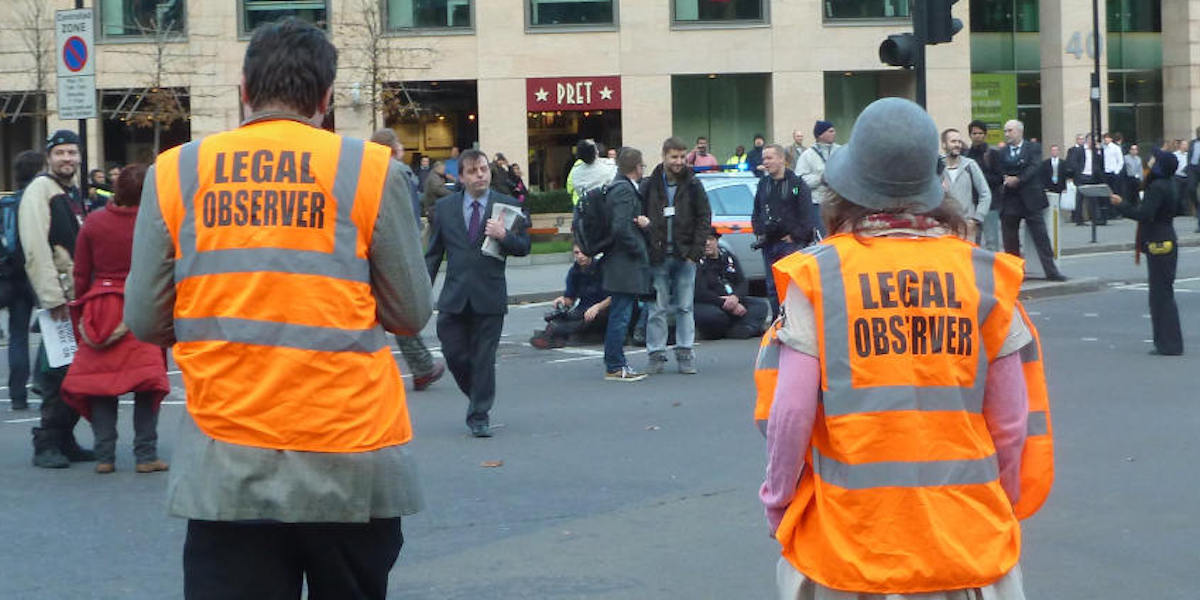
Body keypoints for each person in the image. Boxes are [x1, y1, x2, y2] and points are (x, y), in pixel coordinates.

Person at [125, 19, 432, 597]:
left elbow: (145, 318)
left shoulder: (177, 172)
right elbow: (411, 313)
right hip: (349, 448)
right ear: (325, 97)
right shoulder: (369, 172)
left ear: (244, 90)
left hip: (229, 450)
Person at [763, 97, 1043, 600]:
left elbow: (791, 413)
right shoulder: (983, 276)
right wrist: (1000, 501)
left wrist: (779, 499)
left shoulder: (821, 276)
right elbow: (1011, 421)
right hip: (965, 543)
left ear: (845, 189)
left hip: (851, 543)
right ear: (932, 190)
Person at [60, 164, 170, 474]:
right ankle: (145, 455)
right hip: (142, 303)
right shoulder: (156, 223)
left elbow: (80, 273)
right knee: (147, 383)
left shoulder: (94, 222)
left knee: (100, 383)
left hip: (101, 306)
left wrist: (80, 309)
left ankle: (105, 456)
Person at [426, 149, 531, 437]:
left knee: (484, 357)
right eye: (472, 171)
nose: (480, 175)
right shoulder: (446, 208)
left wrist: (504, 235)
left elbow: (523, 247)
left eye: (483, 169)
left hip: (489, 295)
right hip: (455, 297)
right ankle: (477, 393)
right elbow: (433, 254)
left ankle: (479, 414)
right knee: (454, 354)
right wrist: (422, 291)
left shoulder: (507, 206)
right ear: (461, 177)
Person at [20, 129, 96, 468]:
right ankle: (47, 443)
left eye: (72, 153)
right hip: (59, 301)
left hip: (77, 297)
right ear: (49, 157)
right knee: (55, 374)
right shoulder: (41, 191)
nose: (67, 159)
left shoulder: (70, 192)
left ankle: (65, 439)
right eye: (61, 153)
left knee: (73, 371)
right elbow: (36, 247)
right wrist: (52, 298)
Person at [371, 129, 446, 392]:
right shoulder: (397, 172)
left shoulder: (365, 171)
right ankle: (422, 365)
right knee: (401, 302)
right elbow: (407, 215)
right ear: (392, 148)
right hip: (392, 248)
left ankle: (421, 365)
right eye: (399, 143)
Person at [639, 137, 712, 375]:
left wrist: (695, 253)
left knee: (684, 307)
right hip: (658, 255)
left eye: (682, 157)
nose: (679, 161)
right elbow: (638, 215)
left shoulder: (693, 184)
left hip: (685, 256)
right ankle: (656, 354)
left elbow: (704, 218)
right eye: (674, 157)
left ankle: (685, 353)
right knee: (657, 308)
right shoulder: (649, 185)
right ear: (664, 157)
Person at [1111, 149, 1184, 356]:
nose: (1149, 162)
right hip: (1167, 236)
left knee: (1160, 295)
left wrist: (1121, 205)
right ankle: (1168, 342)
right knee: (1164, 293)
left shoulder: (1157, 187)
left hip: (1159, 240)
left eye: (1153, 160)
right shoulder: (1171, 184)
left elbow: (1144, 214)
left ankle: (1168, 344)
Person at [600, 147, 651, 382]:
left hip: (619, 261)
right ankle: (615, 365)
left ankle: (615, 362)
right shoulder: (623, 190)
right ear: (637, 167)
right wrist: (639, 248)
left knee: (620, 312)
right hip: (624, 262)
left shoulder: (617, 187)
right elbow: (621, 227)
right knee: (620, 314)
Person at [997, 119, 1067, 281]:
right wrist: (1008, 177)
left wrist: (1018, 178)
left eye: (1010, 131)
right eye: (1005, 131)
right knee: (1010, 238)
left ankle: (1051, 271)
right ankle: (1015, 272)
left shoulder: (1033, 148)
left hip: (1031, 198)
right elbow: (1000, 168)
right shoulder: (1002, 152)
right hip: (1010, 199)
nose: (1007, 134)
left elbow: (1034, 167)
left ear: (1020, 131)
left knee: (1041, 237)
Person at [752, 143, 815, 319]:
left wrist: (795, 235)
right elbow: (757, 210)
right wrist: (759, 230)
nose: (765, 162)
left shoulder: (796, 184)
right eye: (764, 158)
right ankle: (777, 323)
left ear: (781, 159)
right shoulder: (763, 184)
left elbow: (806, 214)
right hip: (769, 244)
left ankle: (794, 323)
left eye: (769, 158)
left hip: (790, 245)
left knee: (791, 287)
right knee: (772, 288)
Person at [3, 150, 44, 412]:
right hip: (34, 275)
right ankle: (44, 383)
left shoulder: (6, 203)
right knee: (52, 333)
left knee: (17, 335)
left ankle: (18, 395)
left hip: (8, 276)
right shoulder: (37, 201)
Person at [694, 228, 768, 340]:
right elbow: (700, 292)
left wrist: (735, 297)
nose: (707, 243)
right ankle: (746, 329)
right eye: (703, 240)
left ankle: (744, 329)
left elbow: (742, 282)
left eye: (710, 239)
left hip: (732, 300)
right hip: (712, 303)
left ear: (717, 241)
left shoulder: (728, 257)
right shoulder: (696, 262)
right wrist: (723, 302)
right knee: (714, 316)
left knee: (760, 305)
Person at [530, 244, 610, 349]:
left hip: (604, 310)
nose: (580, 256)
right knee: (561, 317)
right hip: (583, 309)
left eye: (583, 252)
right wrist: (562, 300)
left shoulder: (602, 268)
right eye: (577, 253)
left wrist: (597, 307)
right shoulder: (574, 271)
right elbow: (570, 299)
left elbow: (614, 297)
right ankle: (555, 335)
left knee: (587, 320)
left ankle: (554, 335)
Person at [940, 128, 991, 236]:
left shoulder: (969, 165)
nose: (957, 145)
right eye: (953, 141)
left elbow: (985, 193)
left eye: (959, 141)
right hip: (943, 228)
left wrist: (976, 219)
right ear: (944, 145)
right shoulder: (937, 166)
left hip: (966, 226)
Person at [797, 120, 841, 236]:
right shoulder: (807, 155)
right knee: (824, 237)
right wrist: (821, 179)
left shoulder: (841, 152)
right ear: (820, 135)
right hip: (818, 205)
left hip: (839, 203)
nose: (834, 133)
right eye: (830, 131)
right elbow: (800, 181)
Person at [967, 120, 1003, 250]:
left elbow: (999, 178)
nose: (977, 136)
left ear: (985, 135)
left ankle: (992, 269)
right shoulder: (966, 155)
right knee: (972, 243)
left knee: (991, 242)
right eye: (974, 133)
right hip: (972, 203)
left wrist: (979, 178)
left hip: (990, 203)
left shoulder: (992, 154)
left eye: (980, 133)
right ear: (970, 135)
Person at [567, 139, 616, 205]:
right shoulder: (609, 167)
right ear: (596, 152)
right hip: (605, 208)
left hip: (583, 208)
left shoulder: (575, 171)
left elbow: (570, 188)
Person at [1187, 127, 1200, 232]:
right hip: (1193, 169)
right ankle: (1196, 206)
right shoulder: (1192, 143)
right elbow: (1189, 156)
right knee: (1191, 189)